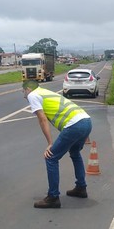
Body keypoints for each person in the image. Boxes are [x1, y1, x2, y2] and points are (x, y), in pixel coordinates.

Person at [23, 80, 92, 209]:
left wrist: (50, 143)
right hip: (86, 121)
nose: (23, 96)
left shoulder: (33, 95)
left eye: (23, 91)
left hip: (75, 125)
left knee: (51, 157)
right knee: (75, 153)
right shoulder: (45, 92)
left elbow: (42, 119)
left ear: (28, 89)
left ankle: (53, 197)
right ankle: (81, 188)